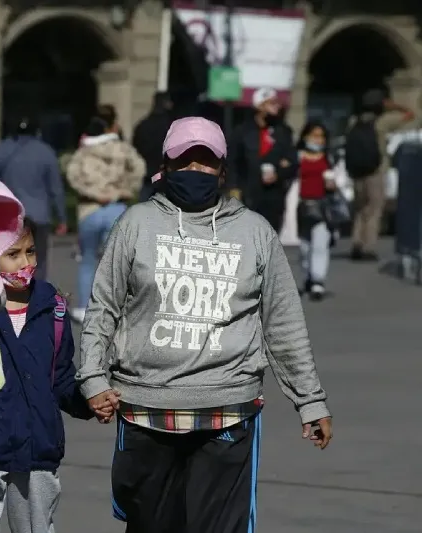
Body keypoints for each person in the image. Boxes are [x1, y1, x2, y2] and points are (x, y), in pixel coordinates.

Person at [77, 117, 332, 533]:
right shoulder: (136, 224)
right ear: (166, 166)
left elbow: (283, 323)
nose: (196, 171)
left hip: (227, 412)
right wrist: (92, 378)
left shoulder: (254, 232)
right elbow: (103, 306)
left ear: (222, 170)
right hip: (145, 409)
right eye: (185, 161)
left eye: (206, 162)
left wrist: (310, 401)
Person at [0, 218, 92, 533]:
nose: (26, 262)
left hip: (39, 451)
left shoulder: (53, 307)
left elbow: (61, 377)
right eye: (14, 254)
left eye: (31, 251)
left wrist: (88, 400)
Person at [66, 116, 145, 323]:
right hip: (117, 207)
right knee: (116, 263)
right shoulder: (122, 149)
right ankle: (115, 309)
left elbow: (72, 176)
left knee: (87, 260)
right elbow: (139, 168)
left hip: (89, 208)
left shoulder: (83, 153)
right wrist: (126, 189)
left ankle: (84, 308)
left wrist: (92, 192)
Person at [0, 117, 68, 280]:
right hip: (39, 215)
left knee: (9, 259)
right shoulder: (46, 151)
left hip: (10, 215)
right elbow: (55, 188)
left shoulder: (2, 150)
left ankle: (13, 299)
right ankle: (37, 299)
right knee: (38, 260)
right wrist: (62, 218)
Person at [346, 89, 415, 261]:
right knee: (375, 209)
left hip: (356, 170)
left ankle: (356, 243)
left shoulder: (353, 121)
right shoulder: (384, 122)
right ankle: (368, 247)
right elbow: (412, 115)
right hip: (376, 169)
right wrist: (395, 105)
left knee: (360, 209)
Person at [228, 87, 298, 233]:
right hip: (248, 194)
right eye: (271, 103)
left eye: (277, 103)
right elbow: (233, 162)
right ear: (259, 106)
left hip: (274, 196)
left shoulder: (283, 131)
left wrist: (279, 173)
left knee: (269, 239)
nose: (277, 106)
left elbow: (292, 162)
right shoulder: (242, 131)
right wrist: (234, 188)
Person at [296, 121, 336, 301]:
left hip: (322, 206)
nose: (317, 140)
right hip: (301, 206)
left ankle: (318, 281)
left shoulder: (329, 158)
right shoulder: (297, 157)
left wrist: (332, 184)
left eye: (321, 136)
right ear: (305, 137)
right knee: (305, 247)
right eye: (314, 135)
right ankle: (308, 277)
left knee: (320, 244)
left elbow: (338, 180)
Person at [132, 91, 173, 201]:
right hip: (164, 175)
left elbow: (135, 149)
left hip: (147, 175)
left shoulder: (142, 125)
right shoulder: (172, 128)